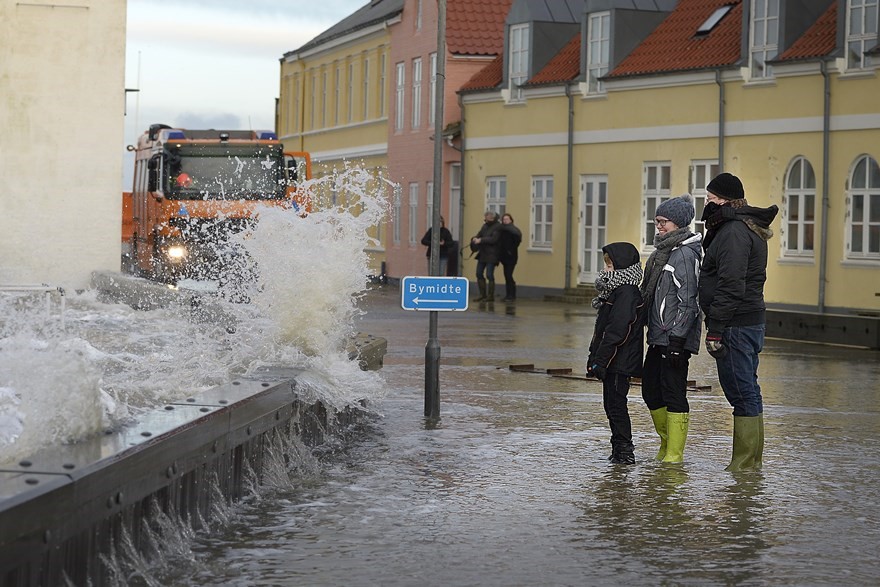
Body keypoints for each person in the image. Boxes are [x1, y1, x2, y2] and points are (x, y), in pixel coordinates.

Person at [698, 172, 778, 471]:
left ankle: (745, 465)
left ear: (724, 200)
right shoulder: (744, 227)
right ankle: (750, 463)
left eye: (710, 199)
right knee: (747, 389)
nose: (707, 205)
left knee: (741, 390)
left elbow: (731, 283)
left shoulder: (733, 231)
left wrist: (716, 328)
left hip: (736, 323)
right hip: (746, 320)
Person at [639, 194, 703, 464]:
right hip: (657, 335)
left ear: (678, 222)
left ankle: (674, 455)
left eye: (663, 222)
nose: (659, 227)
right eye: (657, 222)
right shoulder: (661, 254)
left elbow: (689, 301)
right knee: (651, 391)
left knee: (673, 391)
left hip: (673, 338)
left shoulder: (685, 254)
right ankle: (665, 443)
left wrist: (678, 340)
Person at [586, 242, 645, 465]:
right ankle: (618, 449)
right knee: (611, 404)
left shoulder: (627, 293)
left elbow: (618, 330)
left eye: (610, 265)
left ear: (620, 266)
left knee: (616, 404)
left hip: (620, 361)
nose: (605, 270)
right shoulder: (616, 292)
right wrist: (594, 359)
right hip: (613, 359)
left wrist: (601, 360)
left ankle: (624, 451)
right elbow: (603, 330)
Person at [470, 211, 501, 301]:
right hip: (483, 253)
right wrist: (475, 238)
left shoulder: (498, 227)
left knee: (489, 275)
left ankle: (490, 296)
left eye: (487, 216)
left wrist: (481, 240)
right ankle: (482, 294)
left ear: (492, 217)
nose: (486, 217)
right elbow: (479, 234)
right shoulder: (485, 226)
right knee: (479, 273)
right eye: (486, 216)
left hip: (492, 254)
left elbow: (494, 239)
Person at [498, 213, 522, 301]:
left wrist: (510, 250)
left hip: (511, 256)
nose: (505, 221)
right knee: (506, 275)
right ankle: (508, 295)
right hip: (504, 256)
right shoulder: (502, 230)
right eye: (504, 219)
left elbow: (517, 242)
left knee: (508, 275)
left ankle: (512, 294)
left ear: (511, 220)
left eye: (507, 219)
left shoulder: (514, 231)